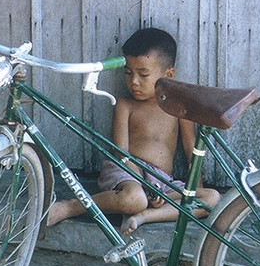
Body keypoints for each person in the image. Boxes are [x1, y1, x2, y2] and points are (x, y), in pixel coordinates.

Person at [46, 27, 220, 236]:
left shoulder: (178, 108)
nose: (134, 81)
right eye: (128, 73)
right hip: (126, 171)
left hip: (161, 180)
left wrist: (192, 190)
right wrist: (145, 187)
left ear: (169, 75)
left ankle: (143, 216)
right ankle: (72, 206)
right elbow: (121, 153)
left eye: (143, 74)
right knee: (134, 199)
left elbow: (192, 150)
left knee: (211, 198)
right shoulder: (125, 105)